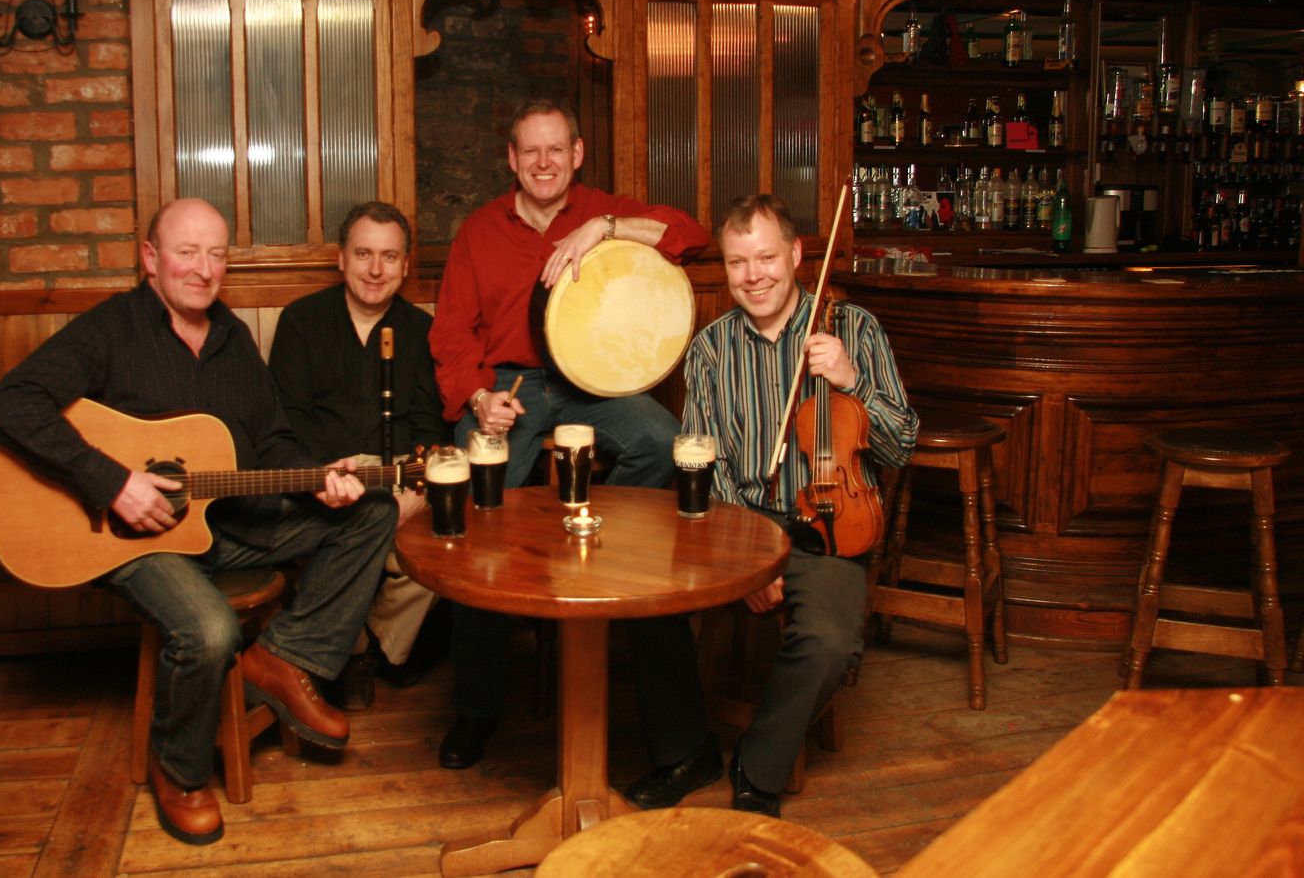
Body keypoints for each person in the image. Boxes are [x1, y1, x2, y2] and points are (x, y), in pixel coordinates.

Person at [0, 198, 397, 847]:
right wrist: (111, 481)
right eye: (187, 252)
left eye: (216, 254)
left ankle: (282, 657)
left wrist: (319, 477)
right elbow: (10, 403)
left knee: (373, 509)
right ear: (151, 258)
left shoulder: (233, 340)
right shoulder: (111, 329)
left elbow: (274, 442)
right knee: (208, 628)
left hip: (225, 525)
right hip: (131, 540)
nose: (203, 269)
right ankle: (179, 771)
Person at [428, 98, 711, 777]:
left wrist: (605, 229)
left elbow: (691, 235)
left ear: (577, 154)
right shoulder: (478, 231)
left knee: (661, 439)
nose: (544, 162)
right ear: (512, 159)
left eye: (556, 148)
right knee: (476, 523)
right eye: (530, 150)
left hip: (591, 379)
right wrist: (479, 397)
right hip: (512, 387)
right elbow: (450, 332)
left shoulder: (602, 211)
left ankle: (583, 544)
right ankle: (476, 707)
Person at [675, 193, 917, 816]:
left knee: (831, 642)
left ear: (796, 254)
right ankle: (682, 751)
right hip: (742, 524)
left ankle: (757, 765)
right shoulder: (709, 349)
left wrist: (851, 381)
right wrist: (747, 559)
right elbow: (706, 463)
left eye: (765, 258)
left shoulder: (853, 329)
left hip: (829, 525)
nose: (753, 276)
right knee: (652, 606)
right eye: (737, 263)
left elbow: (902, 446)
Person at [269, 201, 445, 707]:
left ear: (405, 266)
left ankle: (368, 646)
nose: (375, 269)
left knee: (440, 548)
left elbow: (430, 424)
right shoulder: (301, 321)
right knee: (350, 547)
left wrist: (416, 491)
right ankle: (362, 651)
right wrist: (326, 481)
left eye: (389, 257)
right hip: (329, 474)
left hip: (402, 472)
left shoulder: (422, 330)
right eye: (364, 254)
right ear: (341, 258)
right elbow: (289, 419)